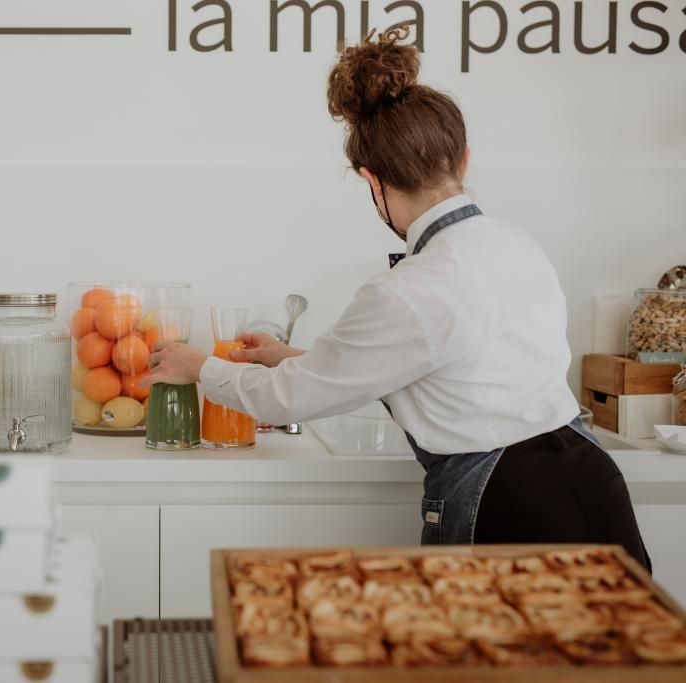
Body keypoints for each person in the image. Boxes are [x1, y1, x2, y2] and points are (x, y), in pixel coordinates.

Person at [144, 28, 650, 569]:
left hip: (508, 503)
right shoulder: (516, 244)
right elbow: (443, 370)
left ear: (372, 180)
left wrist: (200, 366)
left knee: (495, 655)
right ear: (464, 160)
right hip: (591, 482)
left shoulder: (409, 287)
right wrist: (288, 357)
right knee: (629, 652)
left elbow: (285, 400)